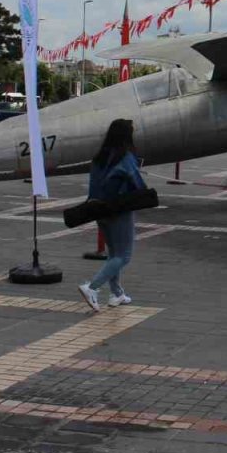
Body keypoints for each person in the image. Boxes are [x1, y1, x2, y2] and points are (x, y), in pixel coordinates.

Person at [78, 119, 146, 311]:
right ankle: (91, 288)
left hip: (100, 210)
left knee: (114, 254)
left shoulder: (99, 158)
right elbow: (137, 185)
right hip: (119, 211)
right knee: (123, 256)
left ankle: (117, 293)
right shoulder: (125, 158)